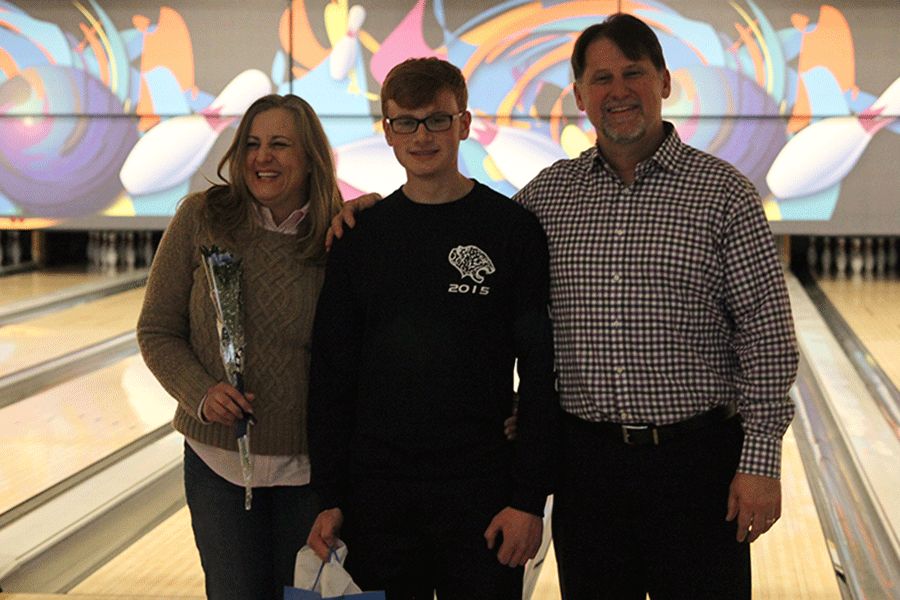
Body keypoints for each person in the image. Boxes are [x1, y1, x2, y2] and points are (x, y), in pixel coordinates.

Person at [327, 14, 800, 600]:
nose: (618, 91)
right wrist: (375, 210)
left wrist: (761, 461)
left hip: (696, 464)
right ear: (579, 94)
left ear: (665, 83)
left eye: (634, 74)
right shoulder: (548, 197)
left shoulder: (724, 193)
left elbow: (768, 340)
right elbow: (452, 224)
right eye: (601, 79)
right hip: (587, 470)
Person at [305, 57, 559, 600]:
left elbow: (541, 374)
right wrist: (326, 495)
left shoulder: (512, 230)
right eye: (406, 122)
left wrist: (527, 499)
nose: (422, 136)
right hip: (376, 499)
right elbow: (330, 377)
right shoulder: (359, 238)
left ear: (464, 124)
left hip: (484, 493)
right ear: (388, 133)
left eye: (437, 120)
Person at [137, 94, 344, 600]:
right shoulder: (201, 217)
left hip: (310, 472)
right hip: (218, 466)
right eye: (251, 143)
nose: (261, 157)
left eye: (279, 144)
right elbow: (157, 330)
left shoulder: (339, 234)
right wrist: (201, 393)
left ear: (311, 155)